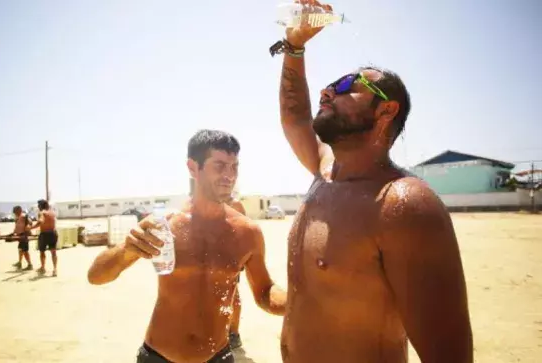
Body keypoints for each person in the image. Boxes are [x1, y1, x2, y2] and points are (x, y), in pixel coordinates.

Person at [274, 1, 473, 362]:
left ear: (386, 109)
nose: (326, 92)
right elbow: (295, 118)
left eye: (349, 84)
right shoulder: (326, 172)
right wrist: (294, 46)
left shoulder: (403, 204)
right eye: (331, 85)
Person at [87, 129, 287, 363]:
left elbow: (264, 292)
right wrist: (126, 250)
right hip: (158, 356)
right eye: (219, 165)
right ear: (193, 168)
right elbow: (96, 276)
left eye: (234, 167)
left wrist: (298, 302)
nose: (229, 175)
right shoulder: (164, 225)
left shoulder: (247, 232)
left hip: (218, 356)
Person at [225, 197, 246, 350]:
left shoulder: (235, 204)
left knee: (233, 294)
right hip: (209, 254)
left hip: (229, 255)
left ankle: (234, 334)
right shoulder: (204, 201)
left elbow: (245, 229)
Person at [31, 199, 58, 276]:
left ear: (41, 205)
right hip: (53, 233)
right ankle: (55, 269)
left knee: (42, 252)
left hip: (44, 235)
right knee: (53, 252)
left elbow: (40, 221)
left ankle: (43, 268)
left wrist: (31, 228)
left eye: (39, 205)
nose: (38, 207)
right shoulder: (52, 213)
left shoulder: (42, 212)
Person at [7, 206, 33, 270]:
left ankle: (30, 265)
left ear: (19, 210)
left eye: (15, 211)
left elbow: (30, 222)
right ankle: (20, 263)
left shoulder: (23, 216)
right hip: (20, 236)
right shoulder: (17, 217)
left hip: (24, 236)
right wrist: (13, 233)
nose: (14, 213)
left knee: (25, 251)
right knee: (20, 249)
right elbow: (17, 227)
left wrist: (27, 228)